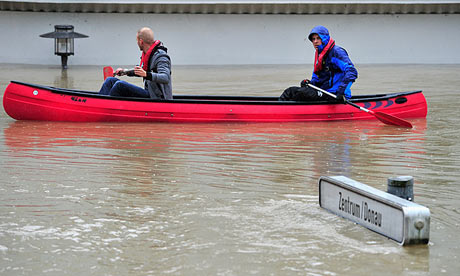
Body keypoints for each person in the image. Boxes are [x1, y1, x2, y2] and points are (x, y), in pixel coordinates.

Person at [279, 25, 357, 102]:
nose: (315, 41)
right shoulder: (319, 54)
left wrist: (341, 91)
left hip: (334, 94)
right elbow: (316, 77)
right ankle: (280, 110)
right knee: (290, 91)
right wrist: (309, 84)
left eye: (318, 38)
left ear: (325, 38)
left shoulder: (336, 52)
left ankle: (291, 112)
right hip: (323, 92)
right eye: (313, 39)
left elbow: (352, 72)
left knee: (301, 93)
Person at [99, 27, 172, 100]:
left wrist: (146, 74)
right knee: (110, 80)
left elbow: (165, 77)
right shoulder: (148, 55)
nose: (137, 43)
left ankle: (106, 107)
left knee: (119, 85)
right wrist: (124, 72)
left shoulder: (161, 57)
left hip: (157, 97)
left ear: (141, 41)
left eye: (137, 41)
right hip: (149, 93)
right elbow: (140, 71)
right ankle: (99, 103)